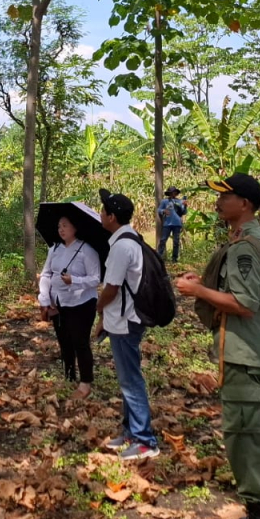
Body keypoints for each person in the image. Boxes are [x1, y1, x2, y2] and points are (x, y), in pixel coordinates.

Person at [176, 173, 260, 519]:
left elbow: (244, 303)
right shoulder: (252, 241)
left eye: (226, 197)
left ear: (245, 203)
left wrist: (197, 290)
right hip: (254, 351)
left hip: (244, 353)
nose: (218, 202)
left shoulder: (245, 247)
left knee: (246, 436)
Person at [97, 190, 159, 461]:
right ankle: (131, 433)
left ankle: (145, 441)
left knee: (130, 380)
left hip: (124, 322)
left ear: (111, 217)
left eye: (102, 211)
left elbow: (111, 290)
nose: (100, 215)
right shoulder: (131, 239)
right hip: (124, 319)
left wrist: (97, 308)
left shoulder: (121, 247)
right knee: (127, 380)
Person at [36, 209, 102, 399]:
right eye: (59, 226)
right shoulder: (54, 249)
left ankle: (85, 383)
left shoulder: (87, 251)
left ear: (75, 227)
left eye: (65, 225)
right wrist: (45, 298)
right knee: (64, 341)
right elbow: (47, 274)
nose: (61, 229)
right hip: (59, 303)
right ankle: (69, 376)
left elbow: (95, 278)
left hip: (81, 303)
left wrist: (74, 280)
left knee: (80, 342)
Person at [156, 187, 187, 261]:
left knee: (176, 242)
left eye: (174, 192)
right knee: (163, 240)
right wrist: (164, 211)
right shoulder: (165, 201)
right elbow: (159, 210)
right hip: (167, 224)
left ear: (176, 193)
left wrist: (185, 206)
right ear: (169, 193)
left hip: (177, 224)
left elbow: (184, 212)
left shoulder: (180, 201)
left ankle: (174, 259)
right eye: (172, 192)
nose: (173, 194)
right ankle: (159, 257)